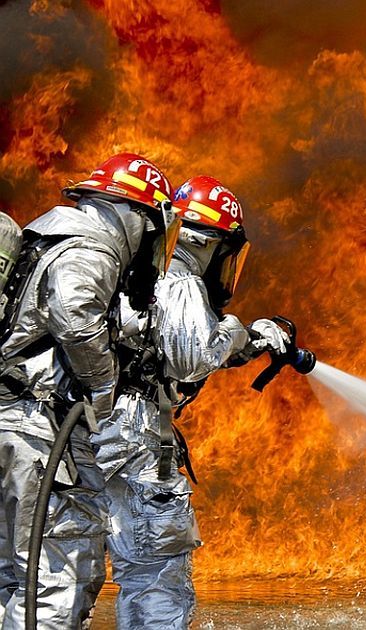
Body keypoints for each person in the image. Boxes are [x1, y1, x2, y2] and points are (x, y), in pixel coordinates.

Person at [92, 175, 288, 629]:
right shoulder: (179, 279)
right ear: (210, 243)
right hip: (135, 438)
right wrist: (241, 328)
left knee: (70, 568)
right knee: (155, 572)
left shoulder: (132, 274)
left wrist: (252, 342)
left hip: (91, 430)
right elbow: (192, 357)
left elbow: (164, 344)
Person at [0, 153, 181, 629]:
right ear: (133, 216)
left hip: (10, 422)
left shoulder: (46, 238)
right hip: (37, 431)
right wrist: (103, 391)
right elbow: (76, 318)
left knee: (11, 576)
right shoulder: (90, 248)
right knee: (59, 575)